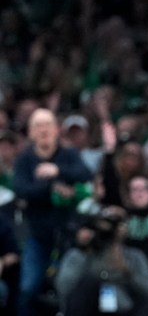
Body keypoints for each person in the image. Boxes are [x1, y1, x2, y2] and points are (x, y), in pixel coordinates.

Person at [12, 107, 92, 316]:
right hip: (38, 235)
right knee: (28, 288)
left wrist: (57, 171)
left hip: (69, 235)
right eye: (38, 125)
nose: (43, 129)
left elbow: (86, 174)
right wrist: (52, 187)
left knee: (70, 289)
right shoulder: (24, 160)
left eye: (47, 124)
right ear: (30, 132)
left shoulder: (69, 155)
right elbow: (22, 190)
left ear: (57, 129)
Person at [55, 205, 148, 316]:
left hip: (127, 311)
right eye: (108, 222)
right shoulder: (80, 255)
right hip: (91, 310)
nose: (112, 229)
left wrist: (127, 273)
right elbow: (64, 288)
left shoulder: (135, 256)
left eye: (118, 222)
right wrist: (89, 253)